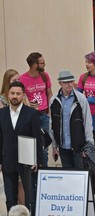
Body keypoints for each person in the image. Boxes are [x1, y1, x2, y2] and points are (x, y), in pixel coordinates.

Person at [0, 81, 43, 215]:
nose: (15, 96)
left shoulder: (31, 113)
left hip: (27, 160)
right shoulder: (1, 114)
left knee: (30, 196)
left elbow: (37, 138)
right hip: (7, 160)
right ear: (8, 94)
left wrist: (37, 160)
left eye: (18, 94)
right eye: (12, 93)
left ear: (23, 95)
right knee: (10, 197)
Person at [50, 71, 94, 168]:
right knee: (67, 176)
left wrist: (89, 146)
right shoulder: (54, 100)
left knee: (80, 176)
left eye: (71, 81)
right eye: (66, 82)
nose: (69, 84)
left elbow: (87, 122)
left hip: (79, 146)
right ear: (60, 83)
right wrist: (54, 146)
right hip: (63, 146)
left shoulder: (81, 99)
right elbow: (52, 125)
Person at [19, 52, 52, 168]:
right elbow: (22, 97)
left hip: (44, 115)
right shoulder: (22, 79)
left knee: (44, 147)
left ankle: (44, 173)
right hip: (31, 116)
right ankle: (33, 175)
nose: (45, 64)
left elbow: (49, 94)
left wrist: (49, 112)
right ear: (34, 65)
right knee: (32, 146)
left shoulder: (44, 76)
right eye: (42, 63)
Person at [0, 69, 25, 205]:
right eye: (14, 80)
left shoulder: (22, 97)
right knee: (10, 187)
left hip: (23, 148)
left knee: (22, 182)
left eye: (19, 80)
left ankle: (23, 209)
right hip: (8, 150)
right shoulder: (2, 100)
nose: (17, 82)